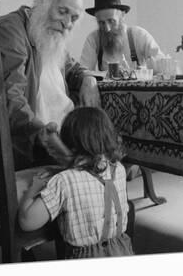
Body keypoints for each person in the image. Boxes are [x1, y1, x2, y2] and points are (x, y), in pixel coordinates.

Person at [0, 0, 100, 170]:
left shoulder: (47, 34)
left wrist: (87, 78)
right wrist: (45, 136)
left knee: (106, 160)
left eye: (74, 18)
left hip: (59, 136)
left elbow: (72, 67)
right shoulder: (10, 31)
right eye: (62, 11)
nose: (67, 23)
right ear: (42, 1)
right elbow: (8, 100)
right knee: (94, 173)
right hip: (32, 146)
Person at [18, 107, 134, 259]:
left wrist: (34, 188)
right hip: (122, 251)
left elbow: (27, 222)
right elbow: (89, 172)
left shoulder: (63, 181)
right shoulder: (118, 169)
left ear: (69, 144)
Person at [80, 0, 164, 71]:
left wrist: (144, 70)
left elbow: (162, 64)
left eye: (111, 21)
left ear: (122, 16)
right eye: (101, 23)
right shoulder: (93, 39)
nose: (107, 28)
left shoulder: (138, 35)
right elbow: (84, 72)